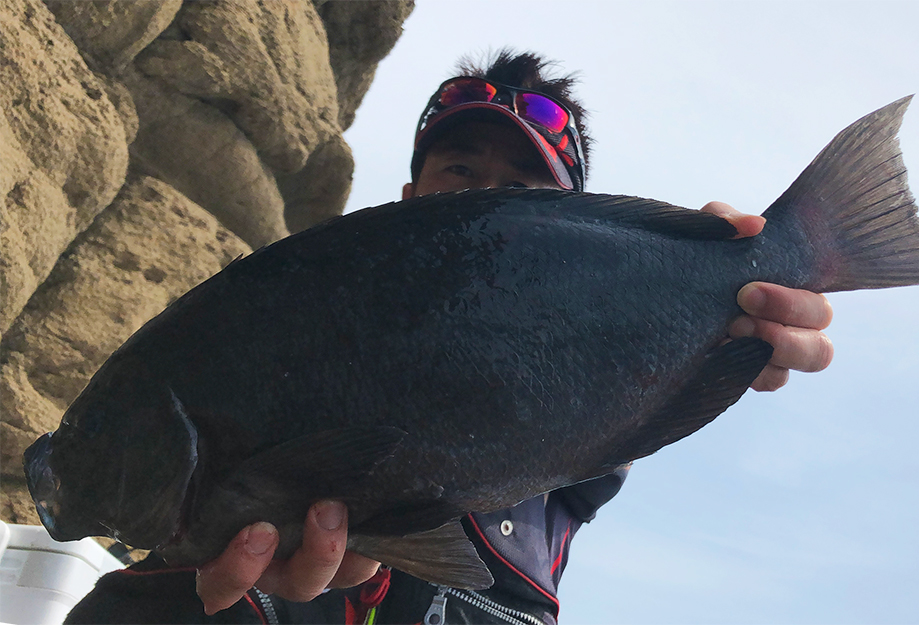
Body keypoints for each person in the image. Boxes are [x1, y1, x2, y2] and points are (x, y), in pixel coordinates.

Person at [67, 50, 834, 624]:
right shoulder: (318, 301)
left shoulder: (595, 370)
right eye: (459, 166)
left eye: (524, 189)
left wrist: (738, 332)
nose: (484, 194)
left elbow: (620, 413)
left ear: (577, 224)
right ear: (406, 199)